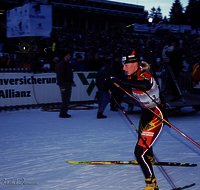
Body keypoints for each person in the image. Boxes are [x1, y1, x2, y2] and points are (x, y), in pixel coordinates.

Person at [111, 50, 165, 190]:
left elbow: (145, 85)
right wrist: (110, 86)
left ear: (135, 64)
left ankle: (152, 184)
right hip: (146, 112)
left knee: (139, 151)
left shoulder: (144, 74)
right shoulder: (132, 76)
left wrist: (120, 81)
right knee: (143, 140)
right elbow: (126, 85)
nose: (123, 68)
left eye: (126, 65)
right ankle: (150, 158)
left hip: (156, 114)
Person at [56, 51, 74, 118]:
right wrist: (62, 86)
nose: (70, 56)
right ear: (65, 56)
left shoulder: (67, 64)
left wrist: (71, 81)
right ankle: (62, 113)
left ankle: (64, 112)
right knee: (65, 99)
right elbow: (60, 76)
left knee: (67, 99)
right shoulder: (62, 65)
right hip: (65, 83)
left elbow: (69, 74)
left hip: (67, 83)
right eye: (69, 55)